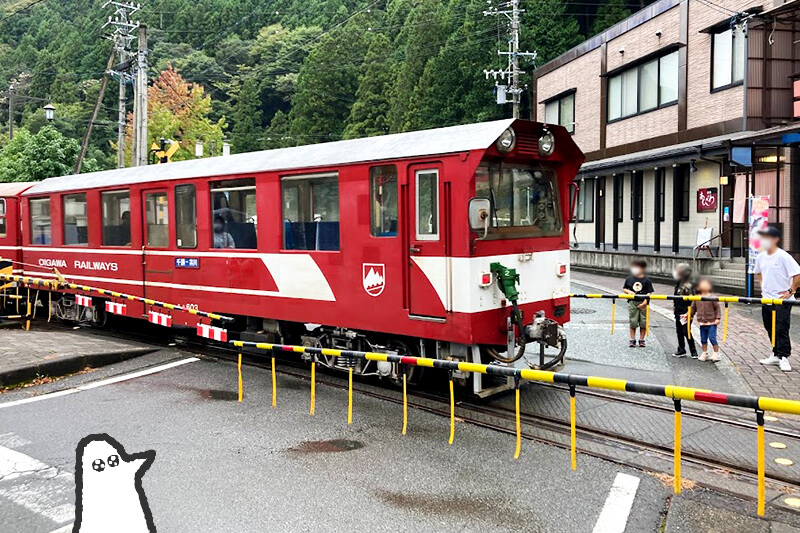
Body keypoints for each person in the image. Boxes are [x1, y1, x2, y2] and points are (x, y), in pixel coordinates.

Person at [754, 225, 800, 372]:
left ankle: (784, 357)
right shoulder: (760, 256)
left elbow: (797, 274)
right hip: (767, 299)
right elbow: (759, 273)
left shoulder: (783, 256)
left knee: (781, 328)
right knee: (770, 327)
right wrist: (762, 288)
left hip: (782, 300)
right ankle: (775, 353)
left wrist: (791, 291)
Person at [623, 259, 654, 348]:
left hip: (643, 302)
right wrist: (629, 292)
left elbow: (649, 292)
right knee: (633, 321)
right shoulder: (629, 279)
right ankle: (632, 339)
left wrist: (645, 302)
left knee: (643, 322)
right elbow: (624, 288)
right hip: (632, 302)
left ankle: (641, 339)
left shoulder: (646, 280)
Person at [690, 278, 721, 362]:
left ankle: (716, 353)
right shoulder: (697, 298)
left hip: (712, 322)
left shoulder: (713, 297)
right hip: (702, 322)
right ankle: (704, 352)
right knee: (703, 339)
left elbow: (717, 308)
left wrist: (718, 318)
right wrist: (689, 315)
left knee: (712, 338)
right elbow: (693, 308)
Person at [672, 263, 698, 358]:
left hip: (686, 310)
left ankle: (693, 351)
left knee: (686, 331)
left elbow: (693, 299)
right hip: (678, 310)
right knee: (679, 331)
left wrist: (689, 312)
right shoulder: (678, 282)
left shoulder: (689, 284)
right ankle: (681, 349)